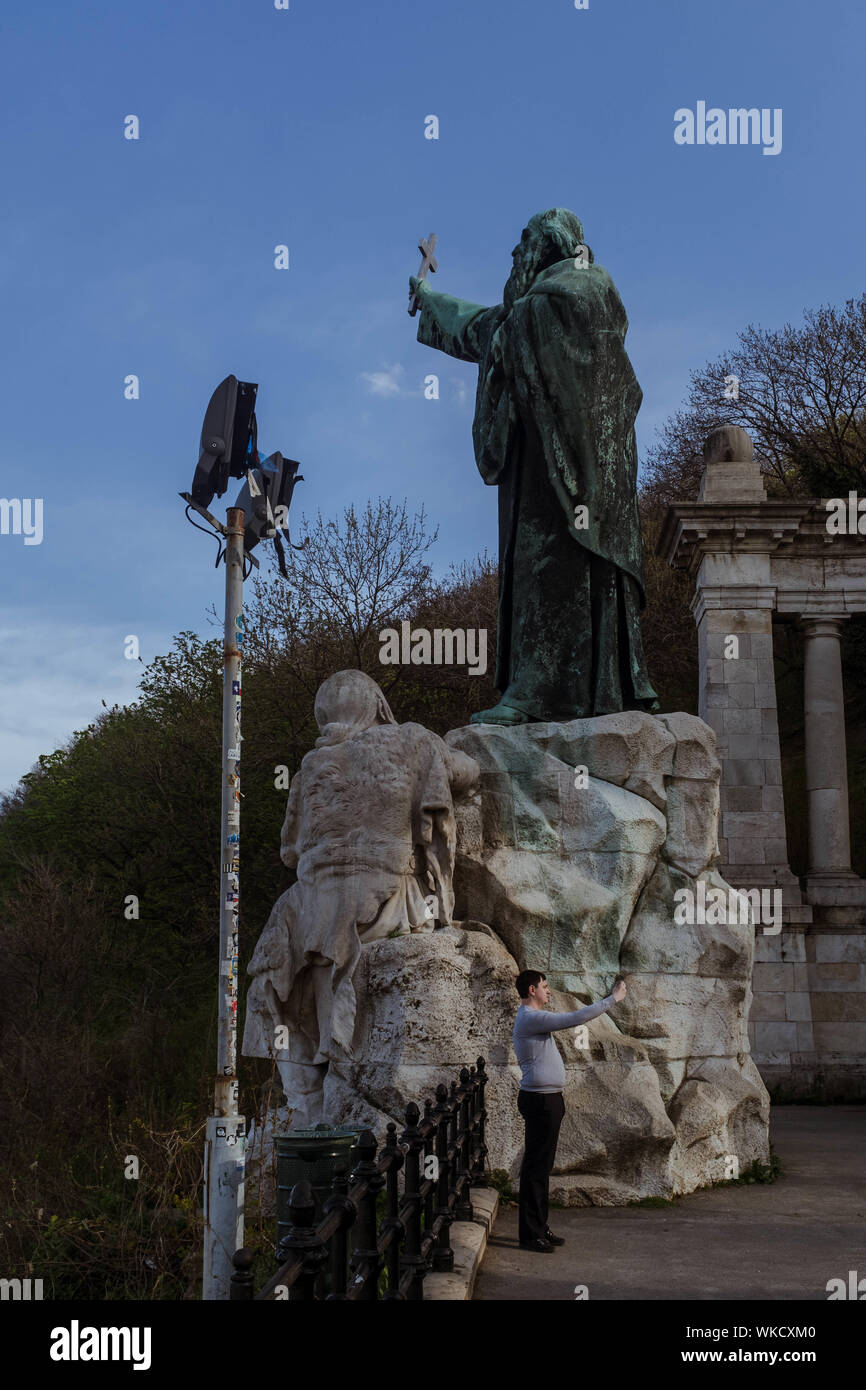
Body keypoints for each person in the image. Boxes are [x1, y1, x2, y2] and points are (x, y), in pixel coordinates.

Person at [410, 208, 657, 725]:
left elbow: (553, 344)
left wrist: (515, 328)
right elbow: (487, 328)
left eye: (523, 241)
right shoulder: (531, 306)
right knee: (530, 568)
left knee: (552, 566)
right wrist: (431, 304)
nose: (515, 251)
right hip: (539, 459)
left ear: (549, 244)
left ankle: (542, 692)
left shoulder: (584, 285)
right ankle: (540, 689)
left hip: (577, 469)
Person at [512, 969, 627, 1252]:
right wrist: (611, 999)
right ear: (531, 990)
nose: (548, 991)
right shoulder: (531, 1017)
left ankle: (539, 1226)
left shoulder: (533, 1019)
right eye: (545, 986)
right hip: (540, 1101)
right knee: (536, 1168)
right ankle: (530, 1234)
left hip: (547, 1100)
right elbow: (574, 1019)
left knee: (541, 1167)